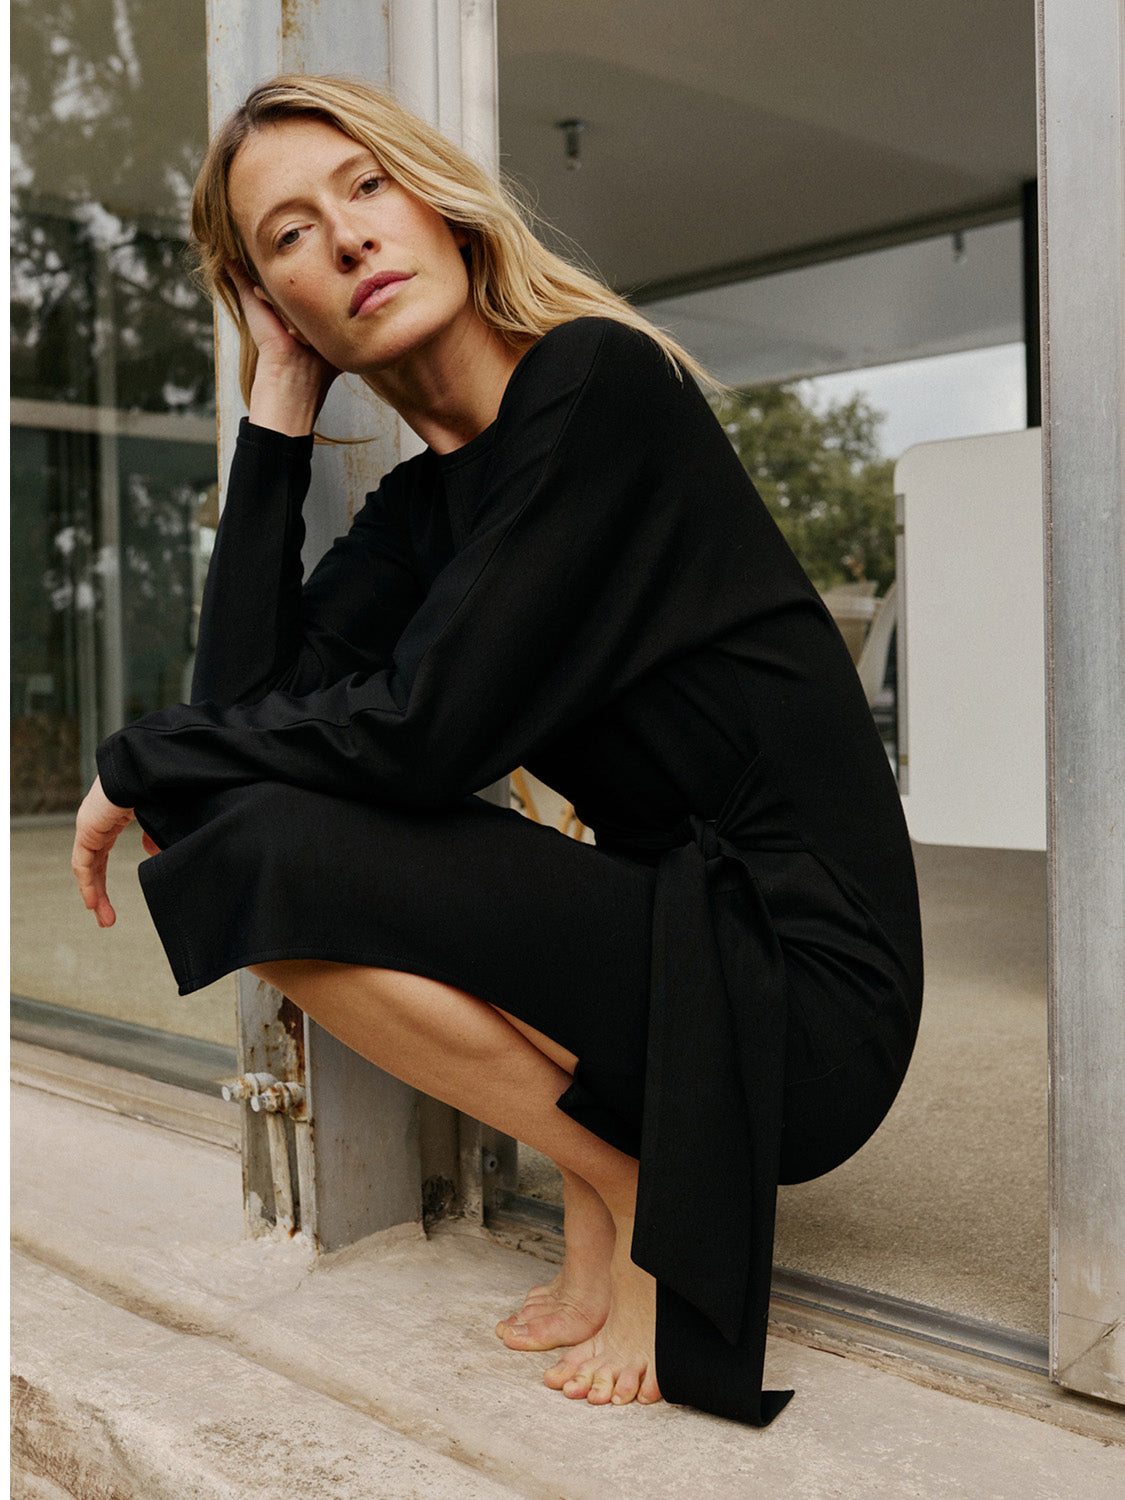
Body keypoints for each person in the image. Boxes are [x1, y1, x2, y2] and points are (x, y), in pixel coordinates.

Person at [71, 74, 923, 1427]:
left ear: (443, 205)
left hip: (802, 995)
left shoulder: (598, 385)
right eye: (289, 236)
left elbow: (420, 736)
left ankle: (647, 1195)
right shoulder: (421, 512)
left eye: (366, 186)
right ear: (272, 299)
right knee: (226, 826)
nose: (348, 237)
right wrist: (278, 405)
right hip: (669, 940)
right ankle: (617, 1177)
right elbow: (241, 721)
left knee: (242, 816)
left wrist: (139, 755)